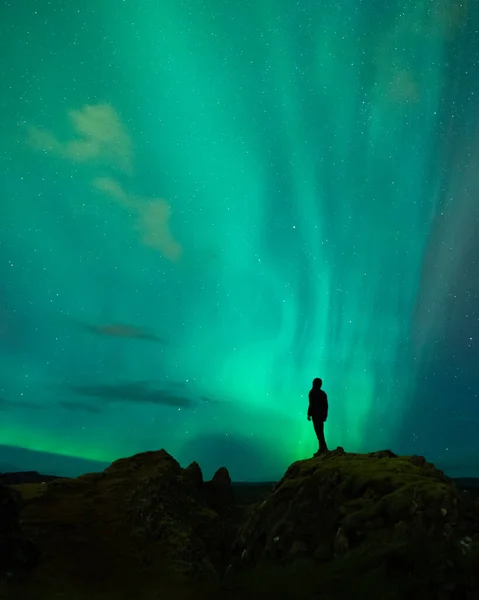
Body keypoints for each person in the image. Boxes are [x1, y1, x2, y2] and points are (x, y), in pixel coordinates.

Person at [307, 377, 328, 455]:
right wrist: (325, 415)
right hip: (320, 415)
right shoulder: (322, 393)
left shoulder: (312, 392)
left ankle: (323, 448)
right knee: (320, 432)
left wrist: (309, 414)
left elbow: (311, 404)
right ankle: (323, 448)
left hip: (316, 415)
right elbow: (326, 405)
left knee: (319, 432)